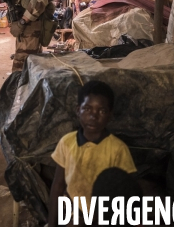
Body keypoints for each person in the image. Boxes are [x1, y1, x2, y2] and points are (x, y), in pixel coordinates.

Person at [48, 81, 137, 227]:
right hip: (72, 213)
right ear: (78, 110)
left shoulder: (118, 149)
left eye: (101, 111)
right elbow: (58, 186)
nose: (93, 116)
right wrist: (52, 224)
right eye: (87, 109)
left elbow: (125, 194)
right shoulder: (66, 143)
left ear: (110, 115)